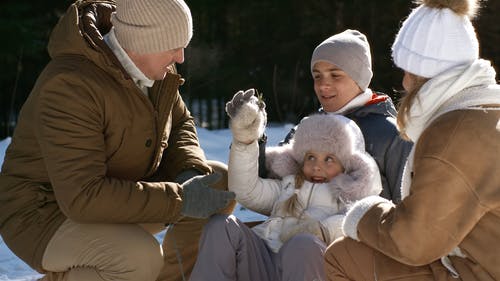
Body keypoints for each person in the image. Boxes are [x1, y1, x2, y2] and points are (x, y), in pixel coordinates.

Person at [0, 0, 236, 280]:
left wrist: (189, 170)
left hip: (115, 191)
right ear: (142, 41)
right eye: (174, 46)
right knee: (139, 258)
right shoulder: (70, 85)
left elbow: (180, 123)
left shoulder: (157, 71)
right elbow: (82, 196)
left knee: (218, 183)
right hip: (45, 213)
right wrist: (181, 199)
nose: (181, 57)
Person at [324, 0, 500, 280]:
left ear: (428, 75)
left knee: (342, 256)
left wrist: (364, 213)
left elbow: (414, 242)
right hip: (480, 260)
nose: (404, 83)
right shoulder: (486, 112)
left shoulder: (453, 134)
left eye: (409, 72)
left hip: (476, 271)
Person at [189, 89, 382, 281]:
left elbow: (357, 224)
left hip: (311, 267)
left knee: (303, 244)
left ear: (347, 165)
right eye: (311, 157)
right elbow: (246, 191)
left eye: (329, 159)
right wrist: (245, 142)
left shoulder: (349, 198)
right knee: (221, 226)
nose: (316, 166)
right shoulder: (289, 186)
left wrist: (321, 230)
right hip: (264, 263)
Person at [261, 29, 412, 203]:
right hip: (297, 228)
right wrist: (249, 140)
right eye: (317, 76)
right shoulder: (308, 129)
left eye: (335, 75)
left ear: (359, 78)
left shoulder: (391, 134)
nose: (323, 85)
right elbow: (270, 186)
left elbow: (406, 206)